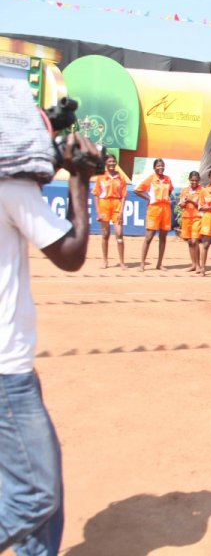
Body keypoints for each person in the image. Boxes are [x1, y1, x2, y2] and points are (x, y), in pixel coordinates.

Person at [0, 79, 101, 555]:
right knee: (36, 494)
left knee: (45, 478)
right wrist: (79, 180)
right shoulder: (11, 186)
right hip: (6, 370)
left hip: (12, 364)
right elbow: (71, 254)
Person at [135, 158, 174, 272]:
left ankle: (159, 264)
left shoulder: (168, 179)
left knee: (163, 237)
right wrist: (150, 198)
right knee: (149, 237)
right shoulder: (151, 178)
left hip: (165, 209)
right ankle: (142, 263)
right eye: (158, 166)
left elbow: (170, 191)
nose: (160, 167)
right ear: (154, 167)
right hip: (154, 209)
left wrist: (165, 198)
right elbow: (137, 190)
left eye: (162, 165)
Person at [92, 154, 127, 269]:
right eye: (109, 162)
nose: (111, 164)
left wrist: (121, 212)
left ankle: (122, 262)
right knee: (105, 234)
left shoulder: (121, 177)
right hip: (104, 205)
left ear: (116, 162)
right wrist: (98, 212)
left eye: (113, 161)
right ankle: (105, 261)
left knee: (119, 234)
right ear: (106, 163)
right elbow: (96, 195)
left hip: (117, 205)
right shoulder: (101, 177)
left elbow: (123, 196)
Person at [178, 171, 203, 273]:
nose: (194, 182)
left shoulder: (202, 191)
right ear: (189, 180)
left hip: (197, 217)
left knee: (195, 241)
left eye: (196, 180)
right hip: (187, 217)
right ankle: (193, 264)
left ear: (199, 181)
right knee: (189, 242)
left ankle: (198, 265)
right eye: (192, 180)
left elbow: (201, 205)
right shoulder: (184, 190)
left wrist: (191, 201)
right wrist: (183, 203)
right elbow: (181, 204)